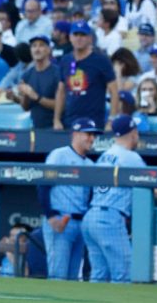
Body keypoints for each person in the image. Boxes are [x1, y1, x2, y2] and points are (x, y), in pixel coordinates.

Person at [82, 115, 145, 283]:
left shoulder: (104, 155)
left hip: (91, 217)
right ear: (134, 133)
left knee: (99, 275)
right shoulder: (131, 158)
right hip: (109, 218)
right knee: (123, 275)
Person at [38, 118, 100, 281]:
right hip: (61, 220)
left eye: (94, 135)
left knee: (73, 278)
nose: (92, 139)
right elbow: (43, 185)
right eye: (88, 134)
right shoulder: (59, 155)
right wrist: (50, 216)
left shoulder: (91, 165)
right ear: (76, 134)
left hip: (81, 223)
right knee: (58, 274)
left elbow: (92, 197)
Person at [54, 21, 119, 130]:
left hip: (94, 121)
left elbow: (114, 92)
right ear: (70, 37)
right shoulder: (65, 60)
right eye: (76, 35)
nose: (79, 38)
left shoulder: (101, 60)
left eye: (83, 35)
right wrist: (56, 119)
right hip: (69, 121)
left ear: (90, 38)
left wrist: (111, 120)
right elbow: (61, 91)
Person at [14, 34, 58, 129]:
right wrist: (24, 94)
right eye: (34, 46)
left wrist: (36, 96)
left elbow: (61, 105)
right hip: (36, 127)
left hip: (55, 128)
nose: (37, 49)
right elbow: (26, 107)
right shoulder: (27, 74)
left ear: (48, 50)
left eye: (41, 45)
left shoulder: (57, 73)